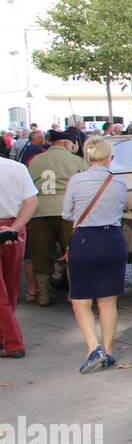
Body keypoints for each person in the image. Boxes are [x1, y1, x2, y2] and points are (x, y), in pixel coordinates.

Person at [61, 137, 129, 374]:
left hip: (84, 241)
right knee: (108, 300)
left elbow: (65, 214)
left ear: (87, 157)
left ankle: (93, 347)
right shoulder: (119, 182)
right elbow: (121, 208)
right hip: (112, 239)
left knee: (81, 300)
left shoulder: (76, 180)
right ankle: (108, 351)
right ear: (110, 156)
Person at [26, 130, 87, 305]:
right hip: (67, 211)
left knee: (41, 253)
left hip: (39, 211)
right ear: (68, 144)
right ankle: (74, 294)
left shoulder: (35, 160)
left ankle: (43, 295)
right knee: (72, 252)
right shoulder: (76, 160)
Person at [0, 153, 40, 358]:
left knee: (2, 293)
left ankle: (13, 342)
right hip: (16, 228)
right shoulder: (17, 168)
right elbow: (32, 202)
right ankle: (5, 337)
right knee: (10, 285)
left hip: (11, 227)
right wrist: (14, 228)